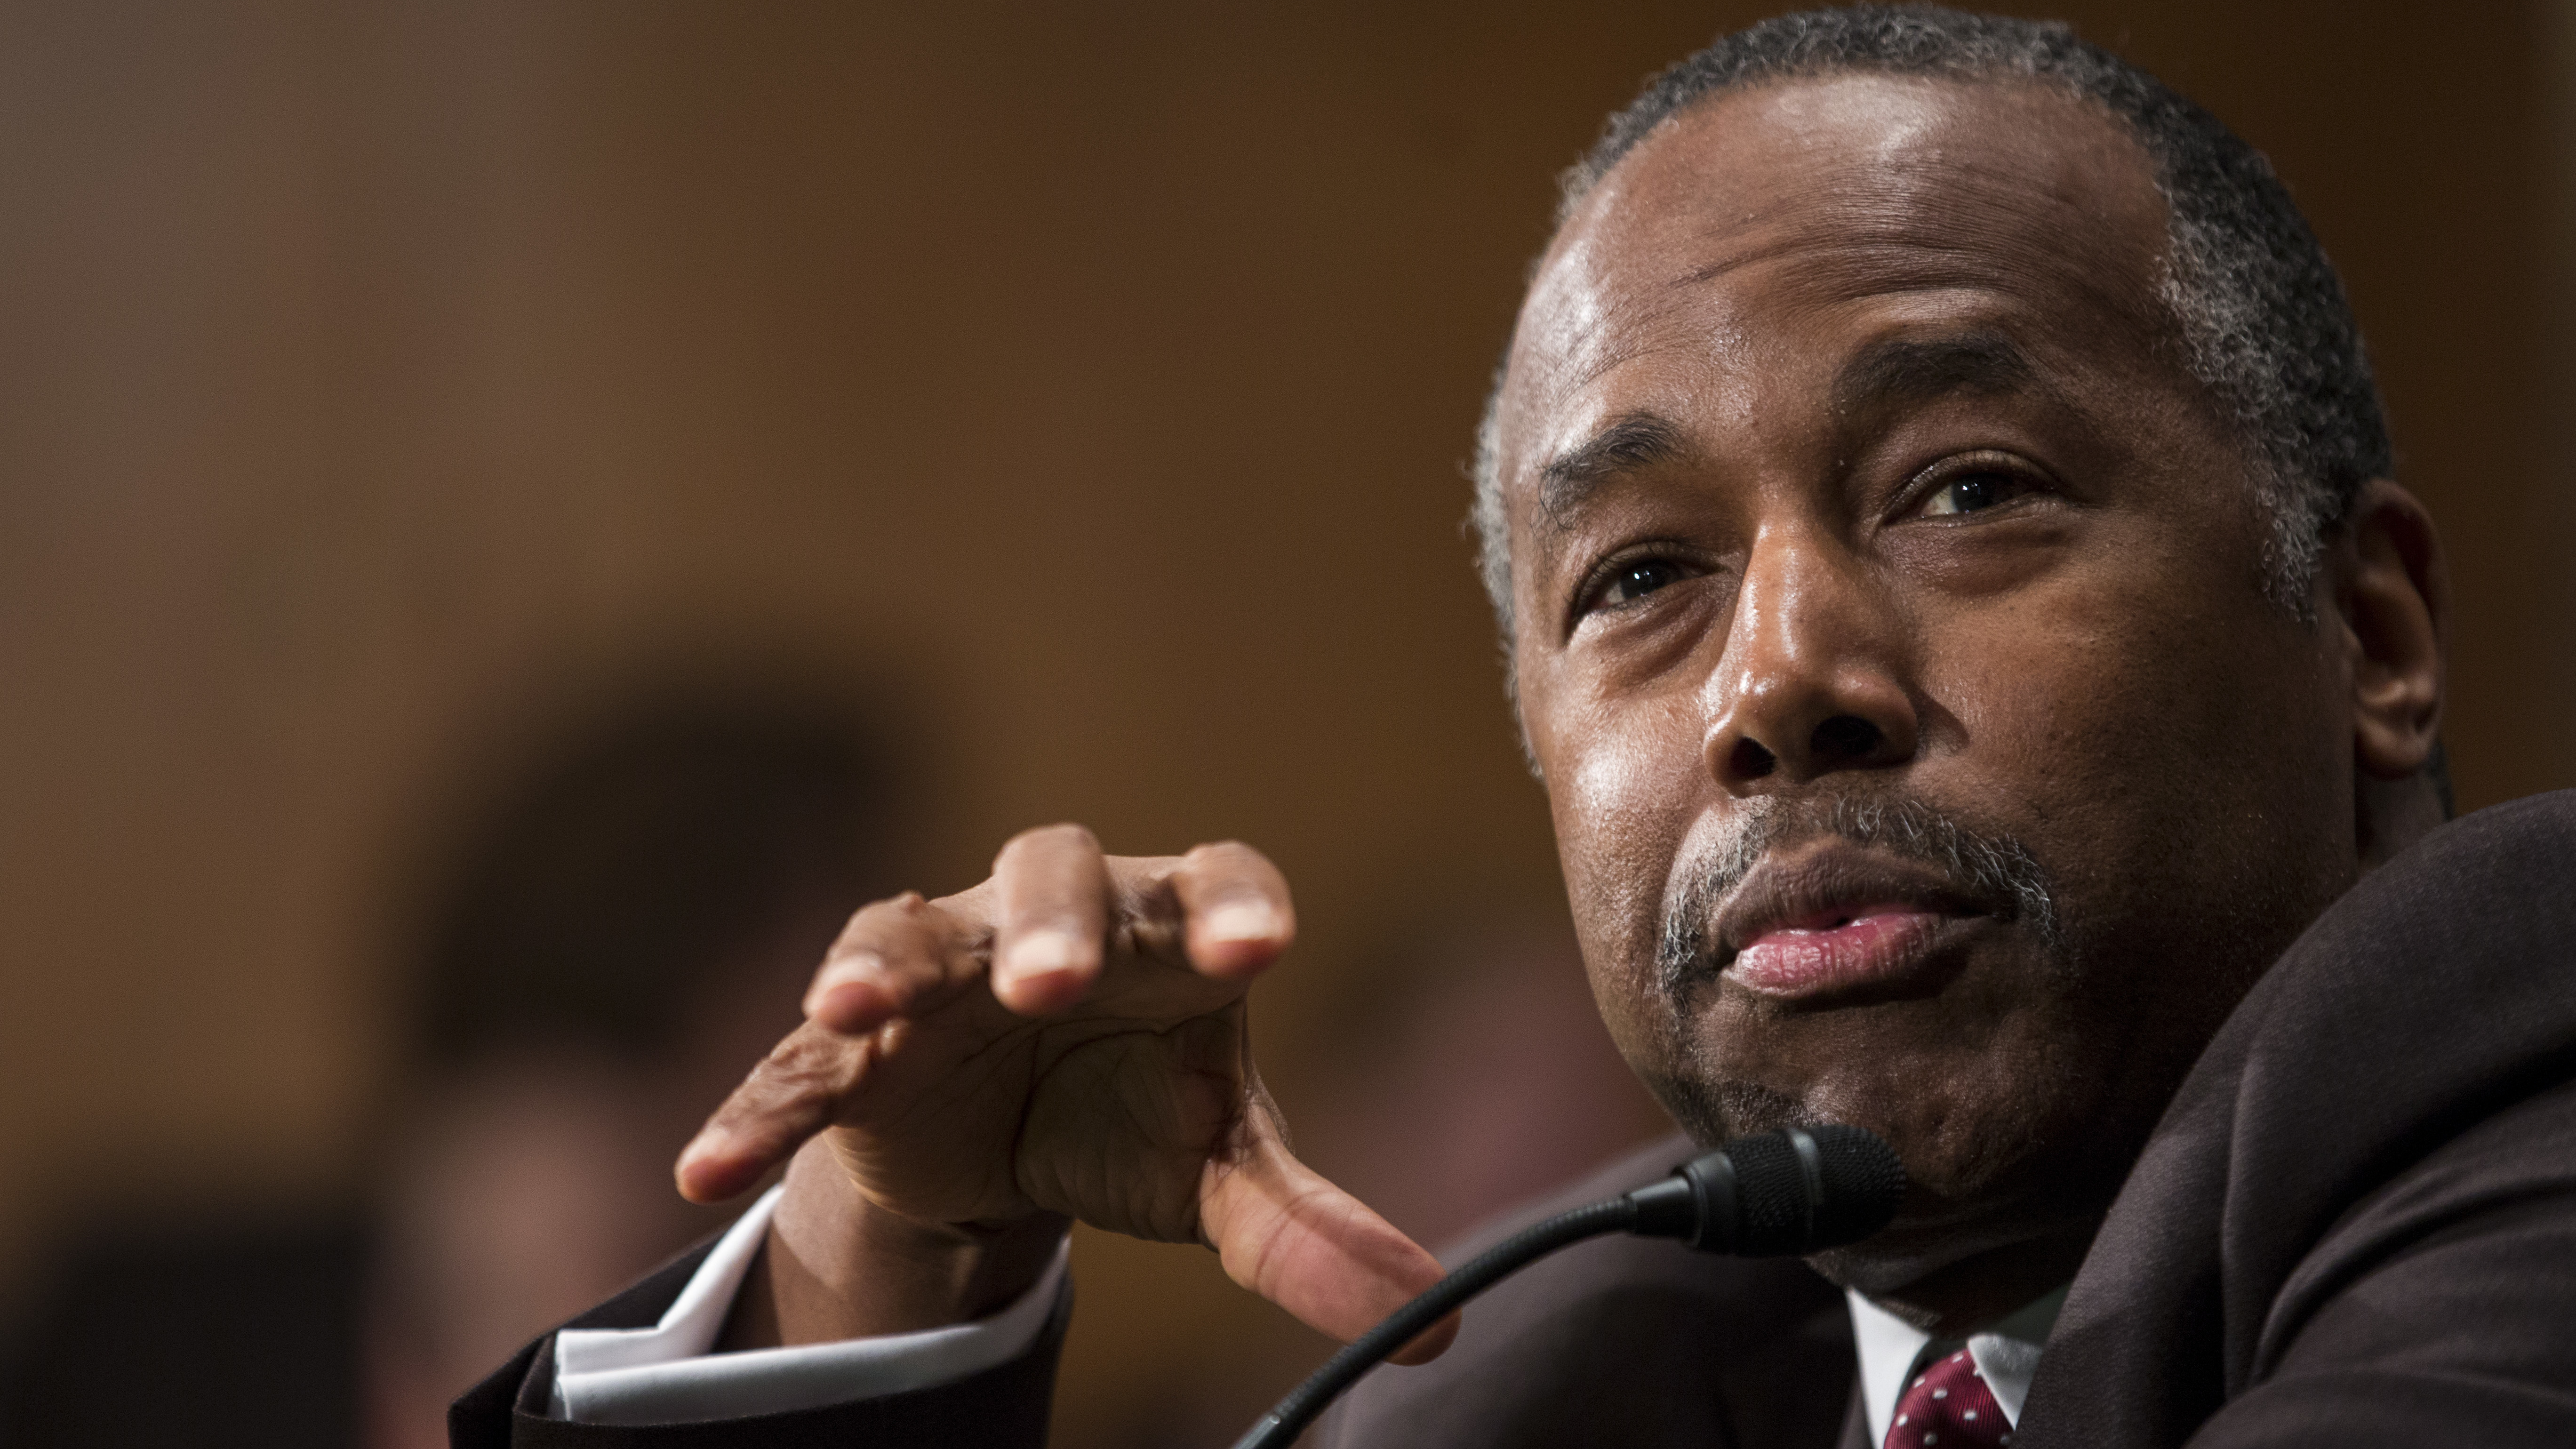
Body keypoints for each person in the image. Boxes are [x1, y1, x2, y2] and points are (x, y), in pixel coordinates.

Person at [453, 8, 2576, 1448]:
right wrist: (885, 1253)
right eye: (1639, 577)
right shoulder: (1541, 1375)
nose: (1773, 685)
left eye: (1962, 489)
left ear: (2370, 626)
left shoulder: (2514, 1067)